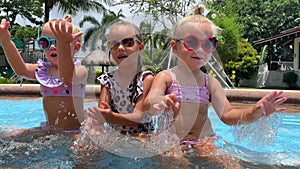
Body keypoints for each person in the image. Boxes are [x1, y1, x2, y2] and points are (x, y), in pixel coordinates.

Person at [144, 3, 287, 164]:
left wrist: (253, 112)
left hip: (203, 141)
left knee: (230, 164)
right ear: (174, 47)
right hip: (171, 142)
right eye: (191, 42)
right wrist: (159, 101)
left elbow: (228, 115)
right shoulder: (166, 77)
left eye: (208, 44)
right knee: (174, 162)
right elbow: (150, 100)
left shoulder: (210, 83)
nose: (200, 49)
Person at [0, 18, 88, 136]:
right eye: (45, 42)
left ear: (76, 47)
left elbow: (67, 76)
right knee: (10, 137)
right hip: (50, 129)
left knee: (81, 150)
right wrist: (5, 40)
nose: (52, 46)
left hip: (75, 130)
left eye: (57, 41)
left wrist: (62, 46)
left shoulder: (80, 71)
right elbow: (21, 69)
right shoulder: (44, 70)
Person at [83, 20, 154, 137]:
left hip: (142, 135)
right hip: (117, 137)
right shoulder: (107, 80)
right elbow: (103, 111)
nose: (120, 48)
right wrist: (94, 119)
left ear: (140, 48)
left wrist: (111, 117)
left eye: (128, 42)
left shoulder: (145, 78)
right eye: (114, 44)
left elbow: (138, 117)